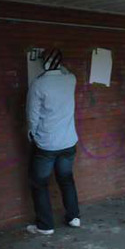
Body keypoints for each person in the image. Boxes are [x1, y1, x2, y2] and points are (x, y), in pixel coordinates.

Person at [26, 49, 80, 235]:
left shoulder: (38, 84)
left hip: (47, 144)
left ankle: (45, 225)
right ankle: (74, 217)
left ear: (45, 64)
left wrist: (32, 134)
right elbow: (63, 70)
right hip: (69, 142)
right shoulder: (70, 79)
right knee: (66, 179)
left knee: (39, 182)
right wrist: (56, 63)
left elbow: (32, 116)